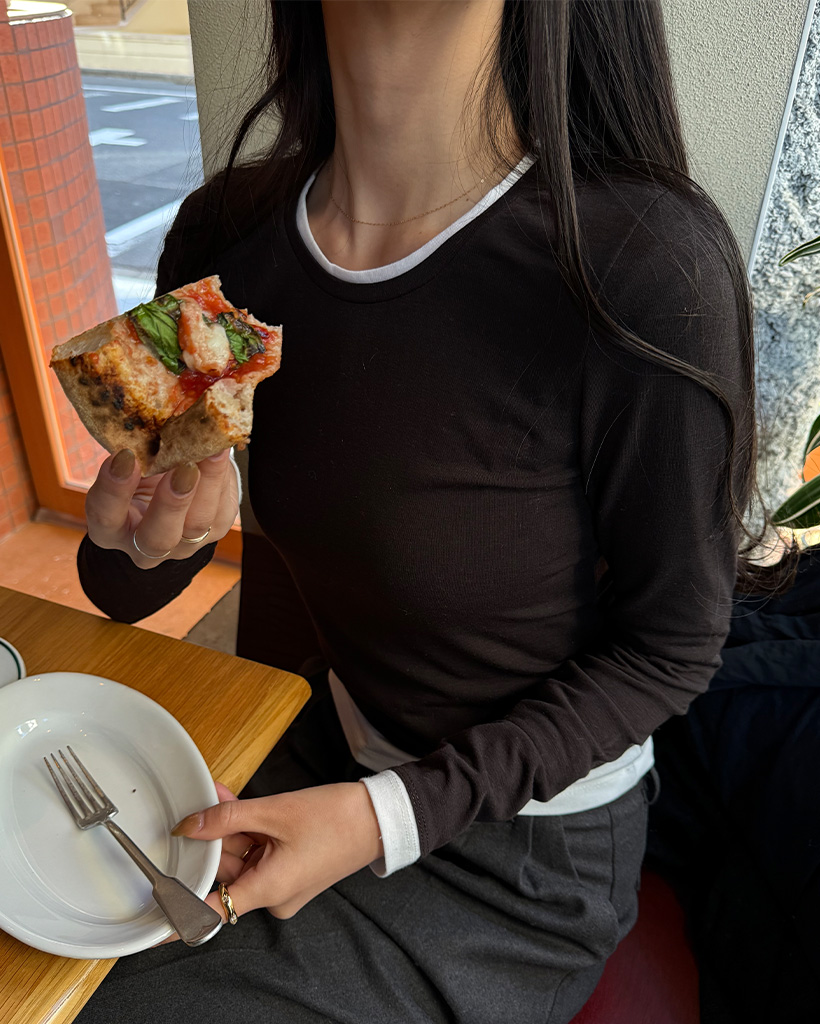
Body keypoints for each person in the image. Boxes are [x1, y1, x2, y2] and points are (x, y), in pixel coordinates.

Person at [74, 2, 762, 1022]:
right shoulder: (225, 238)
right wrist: (138, 539)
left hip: (527, 852)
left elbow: (672, 647)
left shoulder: (639, 266)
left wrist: (381, 817)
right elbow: (123, 583)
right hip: (328, 743)